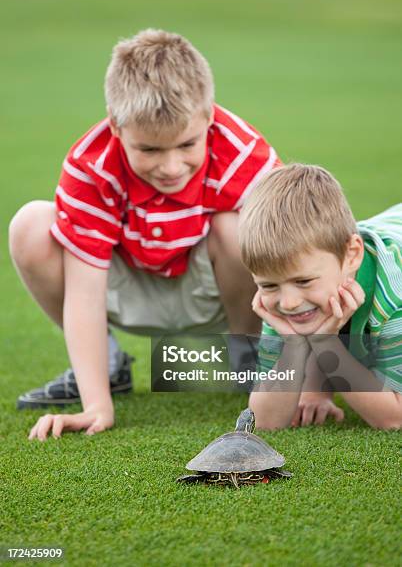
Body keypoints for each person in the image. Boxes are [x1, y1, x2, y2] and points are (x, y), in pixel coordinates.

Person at [8, 29, 281, 440]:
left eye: (187, 144)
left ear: (208, 116)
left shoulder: (241, 151)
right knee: (30, 226)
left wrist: (308, 372)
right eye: (150, 150)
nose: (171, 167)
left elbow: (292, 257)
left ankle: (245, 357)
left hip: (216, 293)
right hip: (125, 289)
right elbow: (83, 293)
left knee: (241, 226)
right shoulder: (92, 166)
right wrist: (96, 406)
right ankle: (109, 366)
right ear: (117, 128)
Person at [238, 163, 402, 430]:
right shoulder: (286, 289)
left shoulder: (394, 290)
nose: (288, 302)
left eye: (303, 281)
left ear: (351, 256)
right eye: (268, 286)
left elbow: (394, 417)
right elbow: (265, 421)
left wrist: (324, 342)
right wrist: (294, 345)